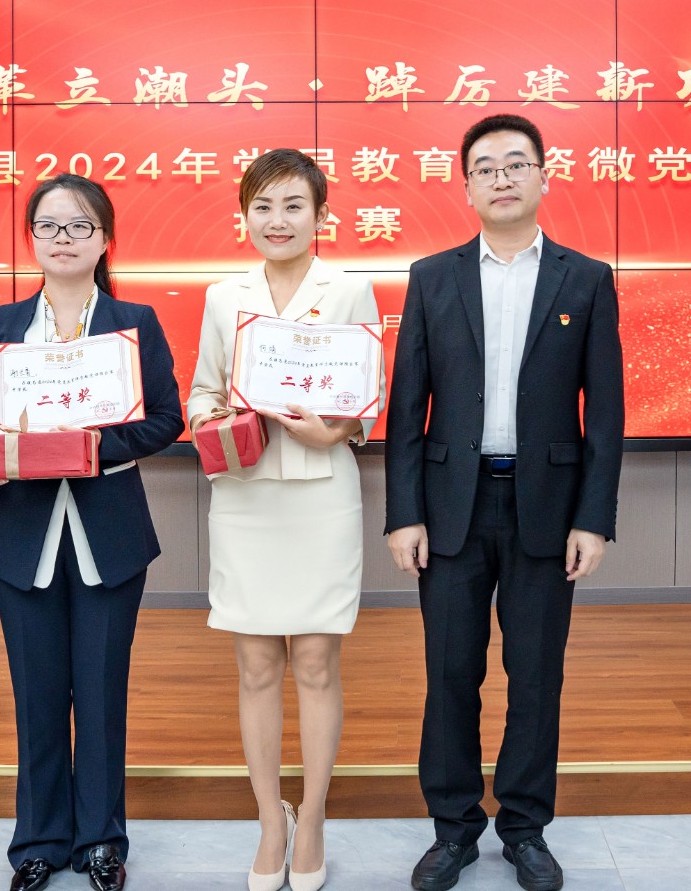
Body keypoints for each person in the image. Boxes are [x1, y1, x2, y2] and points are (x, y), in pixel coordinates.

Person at [384, 114, 624, 891]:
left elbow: (606, 414)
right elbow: (407, 408)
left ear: (544, 177)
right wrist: (404, 512)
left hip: (547, 510)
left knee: (536, 677)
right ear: (466, 187)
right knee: (450, 674)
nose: (502, 178)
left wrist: (593, 519)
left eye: (517, 164)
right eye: (485, 167)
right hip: (451, 508)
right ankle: (453, 829)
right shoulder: (433, 277)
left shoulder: (586, 279)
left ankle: (524, 828)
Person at [0, 174, 184, 891]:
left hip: (109, 536)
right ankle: (38, 841)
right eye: (50, 226)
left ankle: (102, 841)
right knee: (37, 696)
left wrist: (90, 448)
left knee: (102, 694)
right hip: (23, 539)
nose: (63, 239)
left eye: (80, 226)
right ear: (32, 239)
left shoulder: (134, 322)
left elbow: (165, 419)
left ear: (104, 239)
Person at [187, 149, 383, 891]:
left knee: (317, 661)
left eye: (294, 205)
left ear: (321, 215)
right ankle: (272, 818)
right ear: (244, 217)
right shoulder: (222, 296)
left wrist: (336, 432)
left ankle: (317, 816)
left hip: (322, 492)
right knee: (257, 663)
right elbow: (201, 393)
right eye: (263, 206)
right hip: (246, 494)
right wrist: (219, 418)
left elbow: (369, 394)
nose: (278, 220)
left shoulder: (350, 289)